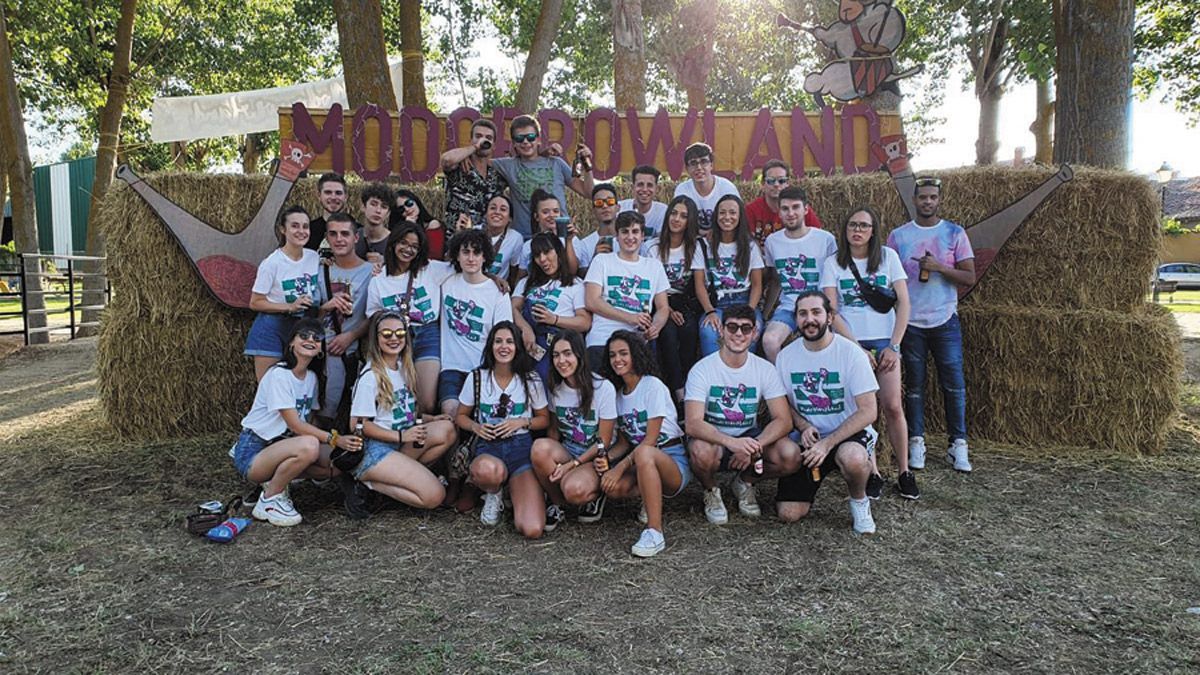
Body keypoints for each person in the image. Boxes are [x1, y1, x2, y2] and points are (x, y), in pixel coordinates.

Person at [821, 206, 918, 500]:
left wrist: (894, 346)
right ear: (845, 229)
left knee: (892, 405)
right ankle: (872, 471)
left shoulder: (888, 258)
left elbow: (903, 303)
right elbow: (831, 311)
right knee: (864, 410)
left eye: (864, 225)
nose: (858, 230)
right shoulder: (833, 263)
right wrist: (856, 348)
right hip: (851, 344)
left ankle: (904, 471)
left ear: (873, 230)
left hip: (885, 341)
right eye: (852, 225)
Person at [231, 318, 363, 526]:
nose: (310, 339)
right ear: (291, 343)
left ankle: (277, 481)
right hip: (255, 451)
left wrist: (332, 447)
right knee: (310, 445)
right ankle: (269, 499)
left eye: (317, 338)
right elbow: (296, 425)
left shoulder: (310, 378)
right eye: (304, 335)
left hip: (283, 445)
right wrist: (335, 439)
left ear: (321, 348)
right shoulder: (279, 375)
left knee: (335, 465)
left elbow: (309, 419)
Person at [886, 176, 976, 473]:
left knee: (954, 384)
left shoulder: (954, 233)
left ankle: (958, 444)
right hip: (910, 322)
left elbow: (969, 277)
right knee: (914, 385)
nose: (927, 202)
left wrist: (939, 268)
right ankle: (916, 441)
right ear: (914, 200)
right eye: (922, 197)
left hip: (944, 318)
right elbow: (888, 278)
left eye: (932, 197)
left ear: (939, 200)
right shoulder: (898, 236)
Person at [774, 291, 879, 534]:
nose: (809, 319)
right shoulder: (785, 356)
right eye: (803, 314)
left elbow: (869, 411)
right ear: (796, 319)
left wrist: (828, 443)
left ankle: (859, 501)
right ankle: (813, 480)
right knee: (789, 514)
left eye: (816, 312)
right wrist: (802, 425)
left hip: (846, 433)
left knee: (852, 458)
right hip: (809, 439)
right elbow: (783, 405)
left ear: (830, 317)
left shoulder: (851, 353)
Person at [684, 304, 799, 524]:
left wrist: (754, 445)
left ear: (755, 334)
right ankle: (711, 490)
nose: (738, 334)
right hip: (714, 437)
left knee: (790, 454)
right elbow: (693, 424)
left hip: (748, 434)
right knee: (699, 450)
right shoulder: (702, 369)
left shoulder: (765, 369)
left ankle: (745, 481)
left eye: (746, 329)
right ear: (721, 330)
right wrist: (732, 443)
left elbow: (784, 420)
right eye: (732, 327)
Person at [349, 312, 454, 513]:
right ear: (376, 339)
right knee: (435, 496)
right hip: (376, 448)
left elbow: (399, 413)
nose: (394, 338)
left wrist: (430, 419)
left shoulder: (404, 368)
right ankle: (369, 484)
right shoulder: (371, 376)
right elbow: (357, 425)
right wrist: (400, 436)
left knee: (446, 429)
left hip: (401, 442)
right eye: (386, 333)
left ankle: (401, 482)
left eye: (399, 333)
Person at [455, 321, 550, 537]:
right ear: (490, 346)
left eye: (509, 341)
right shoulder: (477, 378)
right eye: (498, 341)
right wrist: (476, 427)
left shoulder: (530, 379)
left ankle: (513, 489)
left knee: (532, 528)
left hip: (521, 450)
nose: (503, 347)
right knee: (488, 471)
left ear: (518, 346)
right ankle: (494, 492)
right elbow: (460, 416)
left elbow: (544, 420)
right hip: (488, 449)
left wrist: (521, 422)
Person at [598, 331, 689, 558]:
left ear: (636, 355)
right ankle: (650, 495)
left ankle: (654, 532)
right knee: (613, 487)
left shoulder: (652, 386)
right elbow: (625, 441)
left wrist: (619, 468)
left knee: (645, 453)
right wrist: (606, 458)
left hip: (670, 457)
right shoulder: (618, 394)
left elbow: (650, 439)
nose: (617, 359)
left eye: (623, 353)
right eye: (612, 355)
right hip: (641, 460)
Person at [530, 330, 618, 529]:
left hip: (596, 456)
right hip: (569, 450)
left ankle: (596, 495)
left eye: (567, 353)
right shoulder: (556, 389)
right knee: (539, 448)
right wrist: (551, 464)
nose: (561, 360)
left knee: (574, 489)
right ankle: (556, 503)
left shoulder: (603, 388)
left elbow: (603, 440)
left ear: (579, 355)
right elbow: (553, 431)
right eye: (556, 355)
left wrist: (573, 465)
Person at [366, 223, 454, 414]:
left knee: (427, 402)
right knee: (398, 398)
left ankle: (421, 438)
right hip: (395, 337)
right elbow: (372, 315)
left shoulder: (430, 269)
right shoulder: (378, 279)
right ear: (393, 243)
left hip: (427, 333)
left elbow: (466, 267)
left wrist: (493, 277)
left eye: (414, 246)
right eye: (403, 243)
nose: (408, 249)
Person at [438, 229, 515, 418]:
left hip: (483, 368)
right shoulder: (444, 281)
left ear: (484, 257)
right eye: (466, 252)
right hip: (452, 367)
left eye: (477, 252)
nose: (471, 258)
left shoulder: (498, 293)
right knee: (450, 412)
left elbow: (505, 336)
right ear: (457, 255)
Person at [584, 211, 671, 371]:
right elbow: (592, 301)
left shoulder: (654, 266)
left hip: (637, 342)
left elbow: (663, 307)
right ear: (617, 236)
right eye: (625, 231)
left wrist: (656, 327)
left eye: (635, 231)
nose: (630, 237)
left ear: (643, 236)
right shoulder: (602, 261)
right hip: (603, 340)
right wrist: (630, 317)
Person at [246, 206, 324, 381]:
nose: (301, 231)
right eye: (295, 226)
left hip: (301, 329)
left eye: (305, 226)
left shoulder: (314, 257)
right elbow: (255, 302)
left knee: (295, 386)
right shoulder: (272, 263)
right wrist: (289, 306)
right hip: (271, 329)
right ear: (283, 229)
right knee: (269, 387)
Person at [761, 186, 838, 362]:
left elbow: (834, 279)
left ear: (806, 209)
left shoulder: (825, 239)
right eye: (785, 208)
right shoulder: (772, 242)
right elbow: (776, 281)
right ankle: (782, 386)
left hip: (820, 305)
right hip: (789, 307)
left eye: (796, 207)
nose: (791, 213)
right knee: (769, 341)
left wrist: (833, 310)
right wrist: (766, 314)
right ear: (778, 212)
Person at [492, 115, 594, 239]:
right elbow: (480, 159)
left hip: (559, 235)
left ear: (538, 139)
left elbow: (588, 192)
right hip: (525, 238)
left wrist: (587, 166)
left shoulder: (556, 163)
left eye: (530, 137)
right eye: (519, 138)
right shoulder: (508, 165)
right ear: (513, 143)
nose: (525, 142)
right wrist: (470, 152)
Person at [315, 213, 373, 430]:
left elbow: (374, 315)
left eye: (345, 234)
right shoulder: (319, 270)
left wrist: (350, 336)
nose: (339, 239)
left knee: (338, 413)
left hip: (347, 353)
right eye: (333, 234)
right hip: (317, 353)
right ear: (327, 238)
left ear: (356, 238)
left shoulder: (371, 272)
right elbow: (307, 316)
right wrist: (325, 307)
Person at [512, 233, 592, 383]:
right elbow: (512, 308)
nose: (542, 259)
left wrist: (554, 319)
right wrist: (525, 329)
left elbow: (585, 322)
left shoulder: (575, 283)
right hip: (531, 342)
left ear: (558, 252)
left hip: (560, 341)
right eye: (537, 255)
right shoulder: (526, 283)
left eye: (547, 252)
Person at [647, 195, 704, 403]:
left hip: (684, 300)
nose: (677, 219)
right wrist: (668, 310)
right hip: (658, 301)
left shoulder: (694, 247)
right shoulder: (653, 247)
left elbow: (699, 285)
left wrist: (710, 311)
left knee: (689, 330)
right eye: (674, 213)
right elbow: (650, 287)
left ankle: (690, 385)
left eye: (683, 216)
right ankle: (677, 391)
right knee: (668, 332)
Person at [694, 194, 764, 357]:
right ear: (716, 216)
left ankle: (744, 378)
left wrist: (750, 311)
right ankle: (713, 377)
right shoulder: (704, 245)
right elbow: (699, 285)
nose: (727, 217)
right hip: (716, 304)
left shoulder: (750, 245)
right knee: (709, 332)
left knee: (751, 331)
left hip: (745, 302)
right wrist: (710, 311)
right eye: (722, 212)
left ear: (740, 217)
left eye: (732, 213)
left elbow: (757, 284)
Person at [440, 118, 508, 229]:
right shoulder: (460, 166)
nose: (483, 140)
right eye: (478, 136)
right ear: (471, 140)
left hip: (483, 239)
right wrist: (475, 147)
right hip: (457, 237)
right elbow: (446, 160)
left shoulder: (496, 175)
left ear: (494, 145)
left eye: (488, 138)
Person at [744, 160, 823, 249]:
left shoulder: (800, 209)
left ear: (787, 183)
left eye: (781, 180)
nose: (776, 185)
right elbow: (745, 243)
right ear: (762, 183)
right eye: (771, 181)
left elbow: (818, 239)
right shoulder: (751, 210)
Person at [673, 142, 740, 232]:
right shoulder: (682, 190)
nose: (699, 167)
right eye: (693, 163)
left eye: (704, 162)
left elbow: (738, 220)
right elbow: (678, 222)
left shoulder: (727, 188)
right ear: (687, 169)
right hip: (692, 239)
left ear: (711, 165)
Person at [516, 189, 581, 278]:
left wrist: (568, 241)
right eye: (545, 212)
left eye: (556, 211)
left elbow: (572, 271)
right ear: (536, 216)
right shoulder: (528, 246)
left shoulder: (573, 240)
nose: (551, 215)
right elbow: (521, 277)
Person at [573, 183, 620, 274]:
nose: (605, 206)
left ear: (618, 207)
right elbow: (581, 279)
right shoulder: (584, 245)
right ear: (593, 210)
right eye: (599, 203)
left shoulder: (628, 240)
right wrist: (595, 259)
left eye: (610, 202)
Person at [479, 194, 524, 284]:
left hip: (497, 289)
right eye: (492, 208)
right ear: (486, 214)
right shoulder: (474, 232)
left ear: (510, 219)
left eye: (503, 209)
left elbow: (514, 271)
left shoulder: (515, 238)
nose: (497, 212)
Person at [390, 189, 445, 261]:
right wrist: (406, 228)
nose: (406, 209)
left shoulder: (432, 225)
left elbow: (434, 256)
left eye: (409, 203)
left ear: (416, 202)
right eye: (401, 209)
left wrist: (413, 228)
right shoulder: (400, 229)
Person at [618, 165, 668, 242]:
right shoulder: (619, 208)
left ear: (657, 189)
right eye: (640, 184)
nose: (645, 189)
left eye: (650, 185)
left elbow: (662, 243)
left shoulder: (663, 211)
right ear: (632, 187)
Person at [306, 172, 351, 252]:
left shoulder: (357, 231)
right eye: (328, 192)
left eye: (338, 193)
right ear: (319, 196)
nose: (333, 197)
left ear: (346, 197)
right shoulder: (307, 231)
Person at [355, 182, 395, 267]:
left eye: (384, 207)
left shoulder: (395, 241)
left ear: (388, 214)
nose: (378, 210)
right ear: (363, 206)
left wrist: (386, 261)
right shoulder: (352, 238)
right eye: (373, 204)